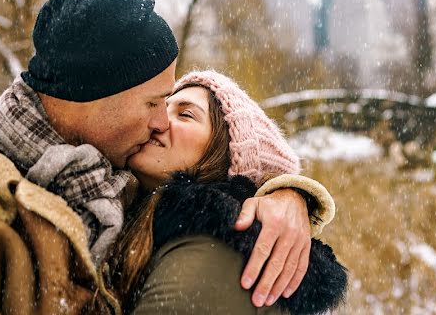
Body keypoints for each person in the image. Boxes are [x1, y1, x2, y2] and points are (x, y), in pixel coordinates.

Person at [0, 0, 334, 314]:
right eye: (156, 102)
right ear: (92, 100)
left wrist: (287, 194)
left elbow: (229, 172)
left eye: (178, 108)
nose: (162, 123)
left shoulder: (115, 186)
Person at [105, 70, 346, 315]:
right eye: (160, 106)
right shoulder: (127, 213)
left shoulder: (214, 256)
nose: (159, 121)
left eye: (186, 114)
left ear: (224, 156)